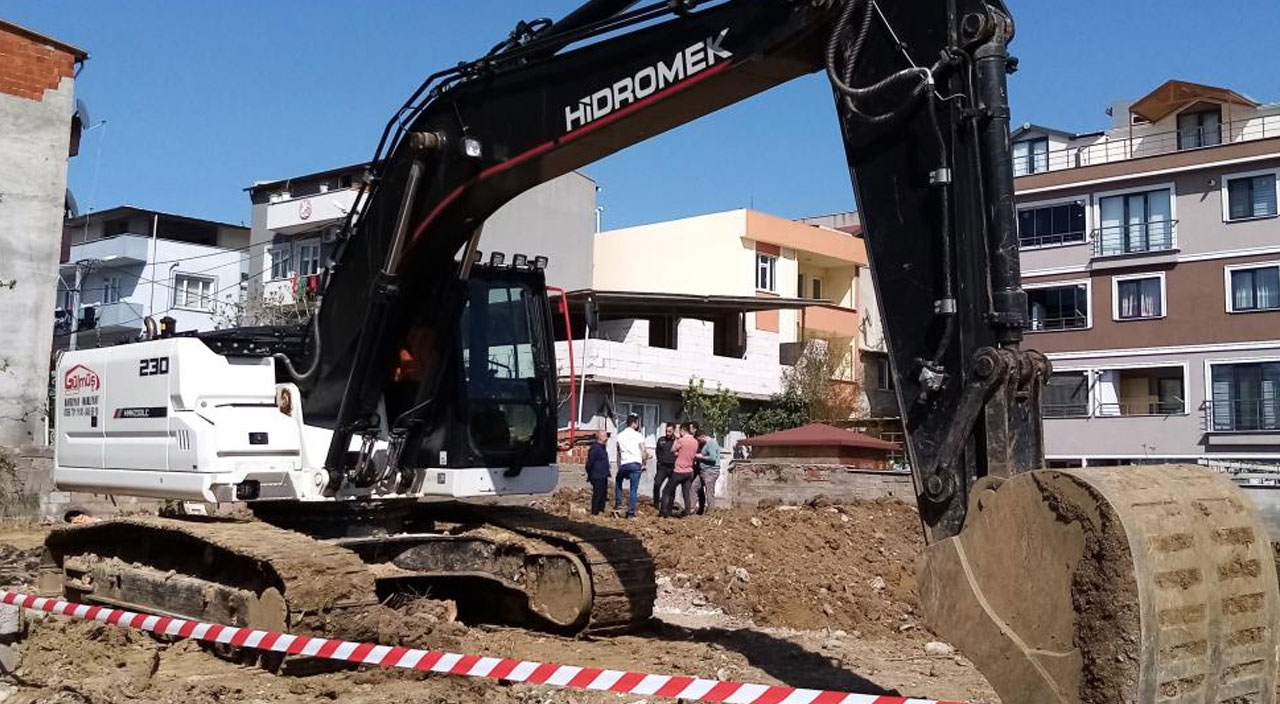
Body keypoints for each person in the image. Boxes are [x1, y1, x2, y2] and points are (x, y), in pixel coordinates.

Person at [613, 413, 648, 518]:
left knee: (618, 481)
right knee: (633, 489)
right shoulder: (638, 435)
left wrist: (619, 465)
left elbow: (618, 453)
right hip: (635, 464)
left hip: (624, 464)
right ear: (634, 423)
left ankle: (618, 503)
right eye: (637, 423)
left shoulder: (619, 435)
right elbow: (643, 451)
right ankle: (631, 512)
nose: (638, 425)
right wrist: (644, 464)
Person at [661, 423, 697, 518]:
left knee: (666, 491)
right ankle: (687, 513)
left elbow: (672, 450)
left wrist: (677, 439)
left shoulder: (681, 440)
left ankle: (664, 512)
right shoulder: (695, 441)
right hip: (689, 471)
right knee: (686, 493)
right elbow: (688, 453)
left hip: (679, 471)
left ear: (682, 430)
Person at [692, 428, 722, 515]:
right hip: (703, 471)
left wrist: (701, 457)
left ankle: (710, 512)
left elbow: (713, 458)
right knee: (694, 487)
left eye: (698, 440)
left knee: (709, 492)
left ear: (702, 437)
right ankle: (691, 509)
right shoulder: (706, 444)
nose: (698, 442)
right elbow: (705, 454)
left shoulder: (711, 443)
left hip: (711, 472)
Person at [652, 423, 677, 510]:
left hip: (673, 467)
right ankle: (656, 504)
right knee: (657, 484)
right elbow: (657, 452)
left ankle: (670, 505)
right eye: (666, 431)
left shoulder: (677, 441)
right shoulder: (661, 440)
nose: (667, 433)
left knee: (672, 487)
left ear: (674, 431)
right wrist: (659, 462)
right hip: (662, 467)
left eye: (670, 431)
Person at [585, 431, 611, 516]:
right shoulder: (595, 448)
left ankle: (601, 510)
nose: (607, 438)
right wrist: (590, 474)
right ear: (600, 437)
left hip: (603, 475)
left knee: (603, 494)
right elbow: (590, 463)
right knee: (598, 494)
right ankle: (595, 512)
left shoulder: (602, 447)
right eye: (605, 436)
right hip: (597, 475)